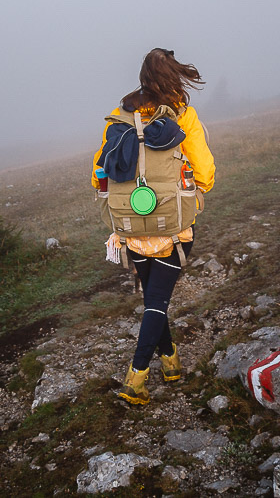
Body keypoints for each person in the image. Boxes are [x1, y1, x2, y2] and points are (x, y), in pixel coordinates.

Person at [91, 48, 215, 405]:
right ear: (175, 77)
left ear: (143, 77)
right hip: (172, 228)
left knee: (152, 300)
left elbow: (97, 174)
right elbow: (204, 174)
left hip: (129, 227)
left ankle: (172, 362)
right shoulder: (183, 116)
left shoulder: (118, 119)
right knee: (157, 302)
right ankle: (136, 379)